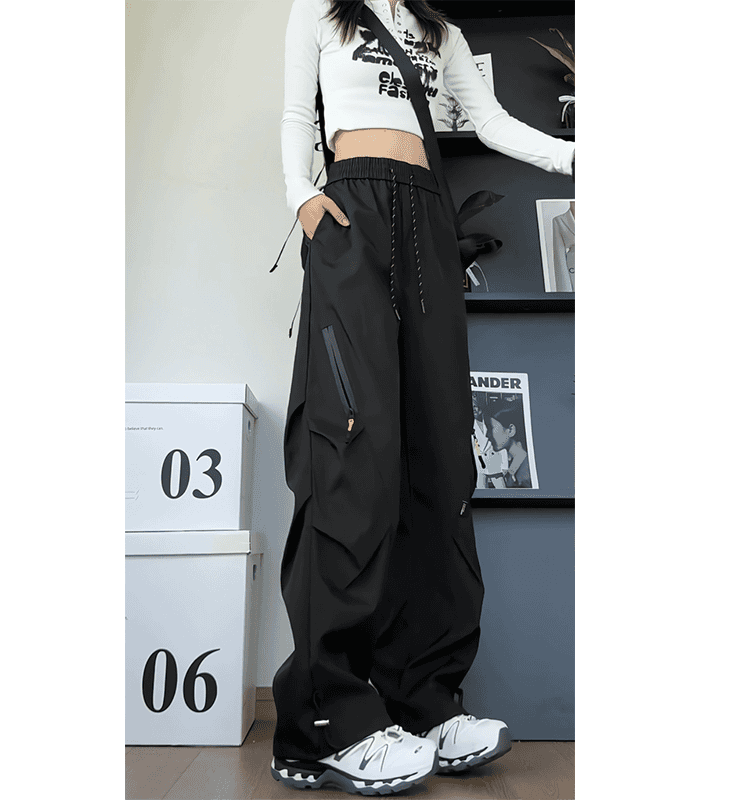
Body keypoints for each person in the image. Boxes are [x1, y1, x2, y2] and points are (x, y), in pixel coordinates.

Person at [272, 1, 575, 794]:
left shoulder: (443, 31)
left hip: (428, 220)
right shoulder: (321, 9)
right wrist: (302, 196)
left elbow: (492, 122)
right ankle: (327, 719)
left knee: (439, 458)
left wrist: (575, 155)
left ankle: (425, 701)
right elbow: (295, 112)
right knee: (351, 454)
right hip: (352, 213)